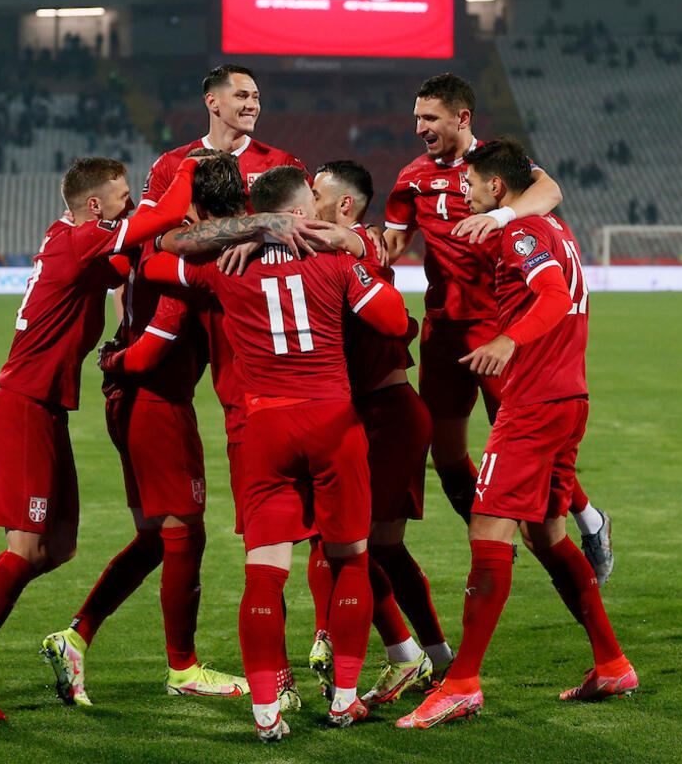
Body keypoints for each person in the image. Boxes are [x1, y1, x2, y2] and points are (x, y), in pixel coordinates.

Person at [0, 153, 323, 721]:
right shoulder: (115, 242)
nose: (132, 203)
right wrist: (197, 178)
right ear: (94, 205)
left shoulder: (93, 242)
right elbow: (157, 262)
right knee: (165, 536)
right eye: (124, 195)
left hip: (72, 405)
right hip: (104, 403)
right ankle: (175, 668)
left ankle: (12, 621)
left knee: (68, 547)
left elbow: (134, 260)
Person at [142, 165, 410, 741]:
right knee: (350, 559)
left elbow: (156, 259)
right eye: (310, 200)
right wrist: (353, 254)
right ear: (298, 212)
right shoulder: (335, 262)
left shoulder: (225, 266)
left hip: (264, 427)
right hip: (333, 421)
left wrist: (245, 235)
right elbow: (395, 321)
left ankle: (266, 711)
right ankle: (344, 700)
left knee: (264, 574)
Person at [398, 139, 636, 730]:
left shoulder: (520, 233)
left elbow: (553, 295)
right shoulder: (555, 227)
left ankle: (461, 683)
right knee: (547, 536)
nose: (464, 191)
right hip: (568, 397)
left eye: (471, 183)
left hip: (532, 403)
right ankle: (612, 664)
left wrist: (509, 340)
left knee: (488, 531)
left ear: (496, 186)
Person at [39, 154, 256, 707]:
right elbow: (151, 349)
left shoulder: (151, 243)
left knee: (156, 537)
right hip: (157, 404)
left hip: (135, 403)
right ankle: (183, 667)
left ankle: (75, 637)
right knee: (185, 532)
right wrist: (117, 360)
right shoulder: (179, 252)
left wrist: (114, 360)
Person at [382, 73, 613, 584]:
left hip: (499, 331)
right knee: (446, 455)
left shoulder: (494, 166)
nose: (419, 127)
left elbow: (550, 190)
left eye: (430, 118)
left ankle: (588, 519)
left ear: (461, 118)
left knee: (530, 444)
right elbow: (393, 245)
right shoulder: (412, 177)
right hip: (444, 332)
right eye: (416, 117)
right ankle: (490, 540)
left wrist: (503, 215)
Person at [308, 160, 454, 702]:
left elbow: (363, 247)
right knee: (384, 548)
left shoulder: (360, 246)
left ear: (344, 204)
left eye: (316, 194)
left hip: (388, 416)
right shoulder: (347, 249)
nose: (308, 202)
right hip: (380, 413)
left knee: (350, 543)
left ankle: (401, 654)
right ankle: (437, 656)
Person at [140, 64, 306, 210]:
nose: (252, 105)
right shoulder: (170, 164)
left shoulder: (282, 163)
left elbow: (314, 219)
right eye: (241, 96)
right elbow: (145, 230)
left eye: (255, 97)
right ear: (212, 102)